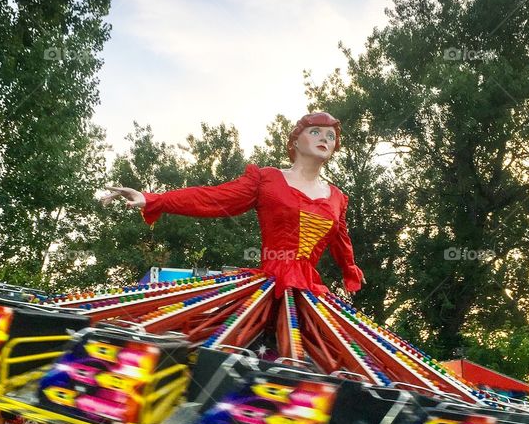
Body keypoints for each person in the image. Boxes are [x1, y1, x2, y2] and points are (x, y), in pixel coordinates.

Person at [98, 112, 365, 295]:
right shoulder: (267, 180)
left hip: (309, 290)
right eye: (316, 132)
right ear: (295, 140)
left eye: (330, 136)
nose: (324, 139)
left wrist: (351, 271)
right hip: (270, 286)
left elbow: (342, 243)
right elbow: (212, 198)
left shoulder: (337, 197)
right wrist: (151, 198)